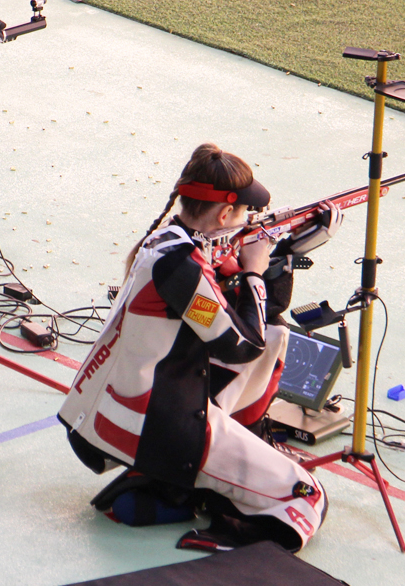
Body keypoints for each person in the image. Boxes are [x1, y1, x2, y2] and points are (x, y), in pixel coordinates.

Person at [57, 143, 340, 553]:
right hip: (152, 425)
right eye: (245, 214)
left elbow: (262, 317)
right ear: (225, 215)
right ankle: (221, 518)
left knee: (277, 336)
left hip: (135, 407)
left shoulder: (172, 243)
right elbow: (241, 345)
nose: (248, 222)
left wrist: (287, 254)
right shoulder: (182, 267)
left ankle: (218, 466)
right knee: (307, 496)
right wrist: (255, 270)